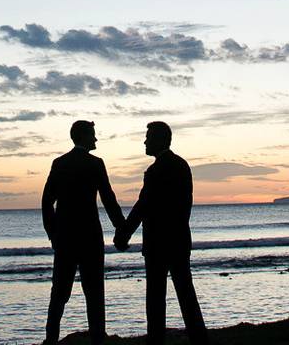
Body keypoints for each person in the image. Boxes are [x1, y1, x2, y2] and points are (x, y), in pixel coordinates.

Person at [114, 121, 208, 345]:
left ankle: (156, 340)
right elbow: (184, 205)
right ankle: (199, 338)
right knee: (186, 293)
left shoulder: (156, 171)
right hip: (178, 240)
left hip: (158, 242)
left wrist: (124, 233)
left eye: (148, 137)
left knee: (156, 298)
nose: (145, 142)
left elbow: (143, 205)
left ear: (160, 139)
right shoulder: (181, 166)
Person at [42, 120, 124, 345]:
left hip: (66, 238)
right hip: (90, 238)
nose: (96, 139)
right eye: (93, 135)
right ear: (83, 136)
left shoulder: (60, 163)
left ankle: (50, 340)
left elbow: (47, 202)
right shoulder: (95, 164)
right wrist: (122, 228)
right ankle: (97, 339)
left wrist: (54, 234)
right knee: (95, 293)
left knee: (59, 292)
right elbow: (108, 199)